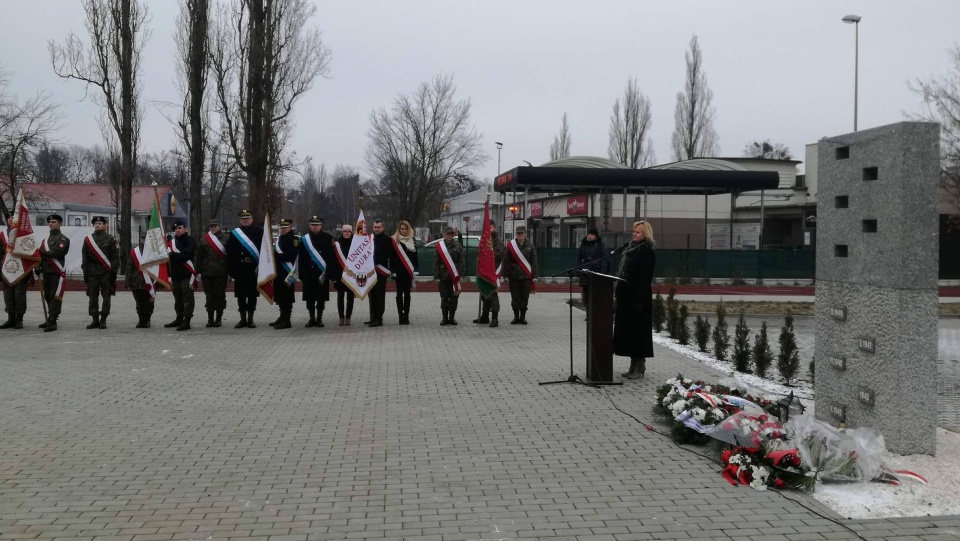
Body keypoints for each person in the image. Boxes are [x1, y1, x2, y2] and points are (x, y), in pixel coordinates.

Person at [614, 221, 657, 379]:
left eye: (638, 232)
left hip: (638, 298)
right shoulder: (630, 250)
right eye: (634, 231)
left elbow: (645, 278)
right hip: (626, 296)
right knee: (629, 332)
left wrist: (639, 299)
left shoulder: (647, 252)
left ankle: (640, 364)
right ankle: (632, 364)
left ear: (645, 235)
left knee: (638, 332)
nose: (634, 234)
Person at [227, 209, 264, 328]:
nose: (245, 220)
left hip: (254, 268)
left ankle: (250, 318)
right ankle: (242, 318)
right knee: (241, 295)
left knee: (252, 294)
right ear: (240, 220)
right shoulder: (234, 233)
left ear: (252, 219)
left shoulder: (259, 232)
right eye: (243, 219)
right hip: (240, 268)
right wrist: (231, 269)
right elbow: (230, 252)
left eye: (247, 218)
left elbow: (264, 251)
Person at [81, 216, 120, 329]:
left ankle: (103, 319)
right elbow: (85, 258)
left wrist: (113, 272)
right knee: (92, 297)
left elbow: (114, 257)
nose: (97, 225)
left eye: (100, 223)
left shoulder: (110, 239)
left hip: (106, 273)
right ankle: (94, 319)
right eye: (96, 223)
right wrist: (86, 272)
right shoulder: (88, 240)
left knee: (106, 297)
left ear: (105, 225)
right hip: (92, 272)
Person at [299, 215, 335, 328]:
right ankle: (311, 318)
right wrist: (302, 274)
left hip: (322, 274)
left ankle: (319, 318)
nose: (315, 227)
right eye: (313, 225)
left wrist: (329, 273)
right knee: (309, 298)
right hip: (308, 274)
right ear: (310, 226)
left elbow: (330, 257)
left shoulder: (327, 238)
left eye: (317, 225)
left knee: (321, 298)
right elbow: (301, 258)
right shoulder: (304, 239)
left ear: (321, 226)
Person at [37, 214, 71, 332]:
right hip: (47, 271)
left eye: (54, 222)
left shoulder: (62, 239)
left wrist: (42, 252)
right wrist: (39, 267)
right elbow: (41, 257)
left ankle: (53, 320)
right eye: (50, 222)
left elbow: (58, 253)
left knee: (55, 296)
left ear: (60, 224)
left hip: (56, 272)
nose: (51, 223)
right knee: (47, 296)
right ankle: (49, 318)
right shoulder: (45, 240)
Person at [195, 218, 229, 327]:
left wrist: (230, 272)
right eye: (211, 226)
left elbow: (230, 256)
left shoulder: (226, 238)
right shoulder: (204, 239)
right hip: (207, 272)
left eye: (215, 225)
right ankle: (210, 318)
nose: (213, 228)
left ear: (219, 226)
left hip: (221, 273)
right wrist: (197, 271)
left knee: (220, 296)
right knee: (209, 296)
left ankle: (218, 318)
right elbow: (198, 256)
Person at [502, 225, 538, 325]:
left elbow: (534, 261)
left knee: (524, 297)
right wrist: (505, 274)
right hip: (514, 277)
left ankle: (522, 317)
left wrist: (534, 275)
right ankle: (515, 317)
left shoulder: (530, 245)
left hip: (526, 277)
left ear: (525, 234)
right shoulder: (511, 246)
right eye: (518, 233)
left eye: (521, 233)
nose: (520, 235)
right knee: (514, 297)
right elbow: (506, 260)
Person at [164, 220, 197, 331]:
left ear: (185, 229)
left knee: (187, 299)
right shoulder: (171, 242)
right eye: (175, 229)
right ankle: (179, 318)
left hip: (186, 274)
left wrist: (172, 254)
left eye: (179, 228)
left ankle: (187, 321)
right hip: (175, 275)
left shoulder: (190, 241)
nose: (177, 230)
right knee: (177, 298)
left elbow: (185, 256)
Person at [0, 217, 31, 330]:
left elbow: (30, 251)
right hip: (5, 270)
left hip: (20, 270)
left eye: (13, 217)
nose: (10, 219)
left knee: (19, 295)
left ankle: (19, 319)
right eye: (9, 218)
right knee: (8, 295)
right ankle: (10, 319)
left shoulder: (24, 235)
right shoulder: (2, 235)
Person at [473, 222, 505, 328]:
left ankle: (494, 318)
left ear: (494, 228)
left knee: (493, 296)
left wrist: (488, 254)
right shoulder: (484, 240)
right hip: (484, 272)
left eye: (490, 227)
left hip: (493, 272)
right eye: (487, 227)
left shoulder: (498, 241)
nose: (489, 229)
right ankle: (484, 316)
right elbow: (478, 254)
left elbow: (500, 254)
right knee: (484, 294)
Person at [270, 218, 299, 330]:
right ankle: (282, 317)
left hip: (288, 272)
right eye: (281, 228)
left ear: (290, 227)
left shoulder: (294, 239)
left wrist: (276, 256)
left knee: (287, 297)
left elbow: (291, 256)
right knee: (280, 296)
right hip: (279, 272)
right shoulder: (279, 239)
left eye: (285, 228)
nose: (282, 229)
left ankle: (287, 320)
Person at [433, 225, 464, 325]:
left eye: (452, 234)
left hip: (454, 277)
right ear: (444, 235)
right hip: (443, 276)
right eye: (448, 234)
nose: (450, 236)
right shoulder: (440, 246)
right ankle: (445, 318)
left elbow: (461, 260)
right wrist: (436, 275)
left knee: (454, 297)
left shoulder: (458, 245)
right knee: (444, 297)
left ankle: (452, 318)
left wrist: (461, 274)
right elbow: (436, 261)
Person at [390, 219, 418, 325]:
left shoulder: (413, 240)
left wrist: (416, 270)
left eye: (405, 229)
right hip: (398, 272)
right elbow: (392, 258)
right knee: (399, 294)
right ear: (399, 229)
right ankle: (400, 316)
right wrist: (393, 271)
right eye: (402, 229)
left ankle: (406, 316)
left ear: (408, 229)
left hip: (408, 272)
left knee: (407, 295)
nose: (404, 231)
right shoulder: (394, 240)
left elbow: (415, 257)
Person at [126, 231, 156, 328]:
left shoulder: (154, 252)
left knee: (149, 302)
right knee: (139, 303)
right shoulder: (135, 252)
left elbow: (158, 268)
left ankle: (147, 319)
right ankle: (141, 319)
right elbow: (129, 267)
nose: (144, 240)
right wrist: (128, 281)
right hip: (136, 281)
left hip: (150, 281)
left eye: (146, 238)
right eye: (142, 238)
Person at [576, 227, 609, 314]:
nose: (590, 236)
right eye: (589, 234)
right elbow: (579, 258)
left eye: (592, 234)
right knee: (586, 293)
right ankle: (589, 312)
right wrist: (578, 270)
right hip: (585, 272)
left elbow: (604, 259)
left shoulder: (600, 245)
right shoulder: (583, 244)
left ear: (596, 236)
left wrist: (602, 272)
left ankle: (595, 312)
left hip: (596, 272)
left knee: (595, 293)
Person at [365, 219, 391, 327]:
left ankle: (379, 318)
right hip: (370, 272)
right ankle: (373, 316)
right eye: (375, 227)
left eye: (378, 227)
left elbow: (387, 254)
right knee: (371, 295)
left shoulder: (387, 239)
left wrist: (374, 261)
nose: (376, 229)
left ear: (383, 228)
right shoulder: (369, 239)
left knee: (379, 295)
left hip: (380, 271)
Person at [330, 224, 355, 325]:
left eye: (349, 231)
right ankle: (341, 317)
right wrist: (334, 276)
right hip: (339, 274)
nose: (347, 233)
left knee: (350, 296)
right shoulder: (336, 244)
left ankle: (348, 317)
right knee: (340, 296)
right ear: (342, 232)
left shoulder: (355, 244)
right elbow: (333, 261)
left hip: (351, 274)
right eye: (345, 231)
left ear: (351, 232)